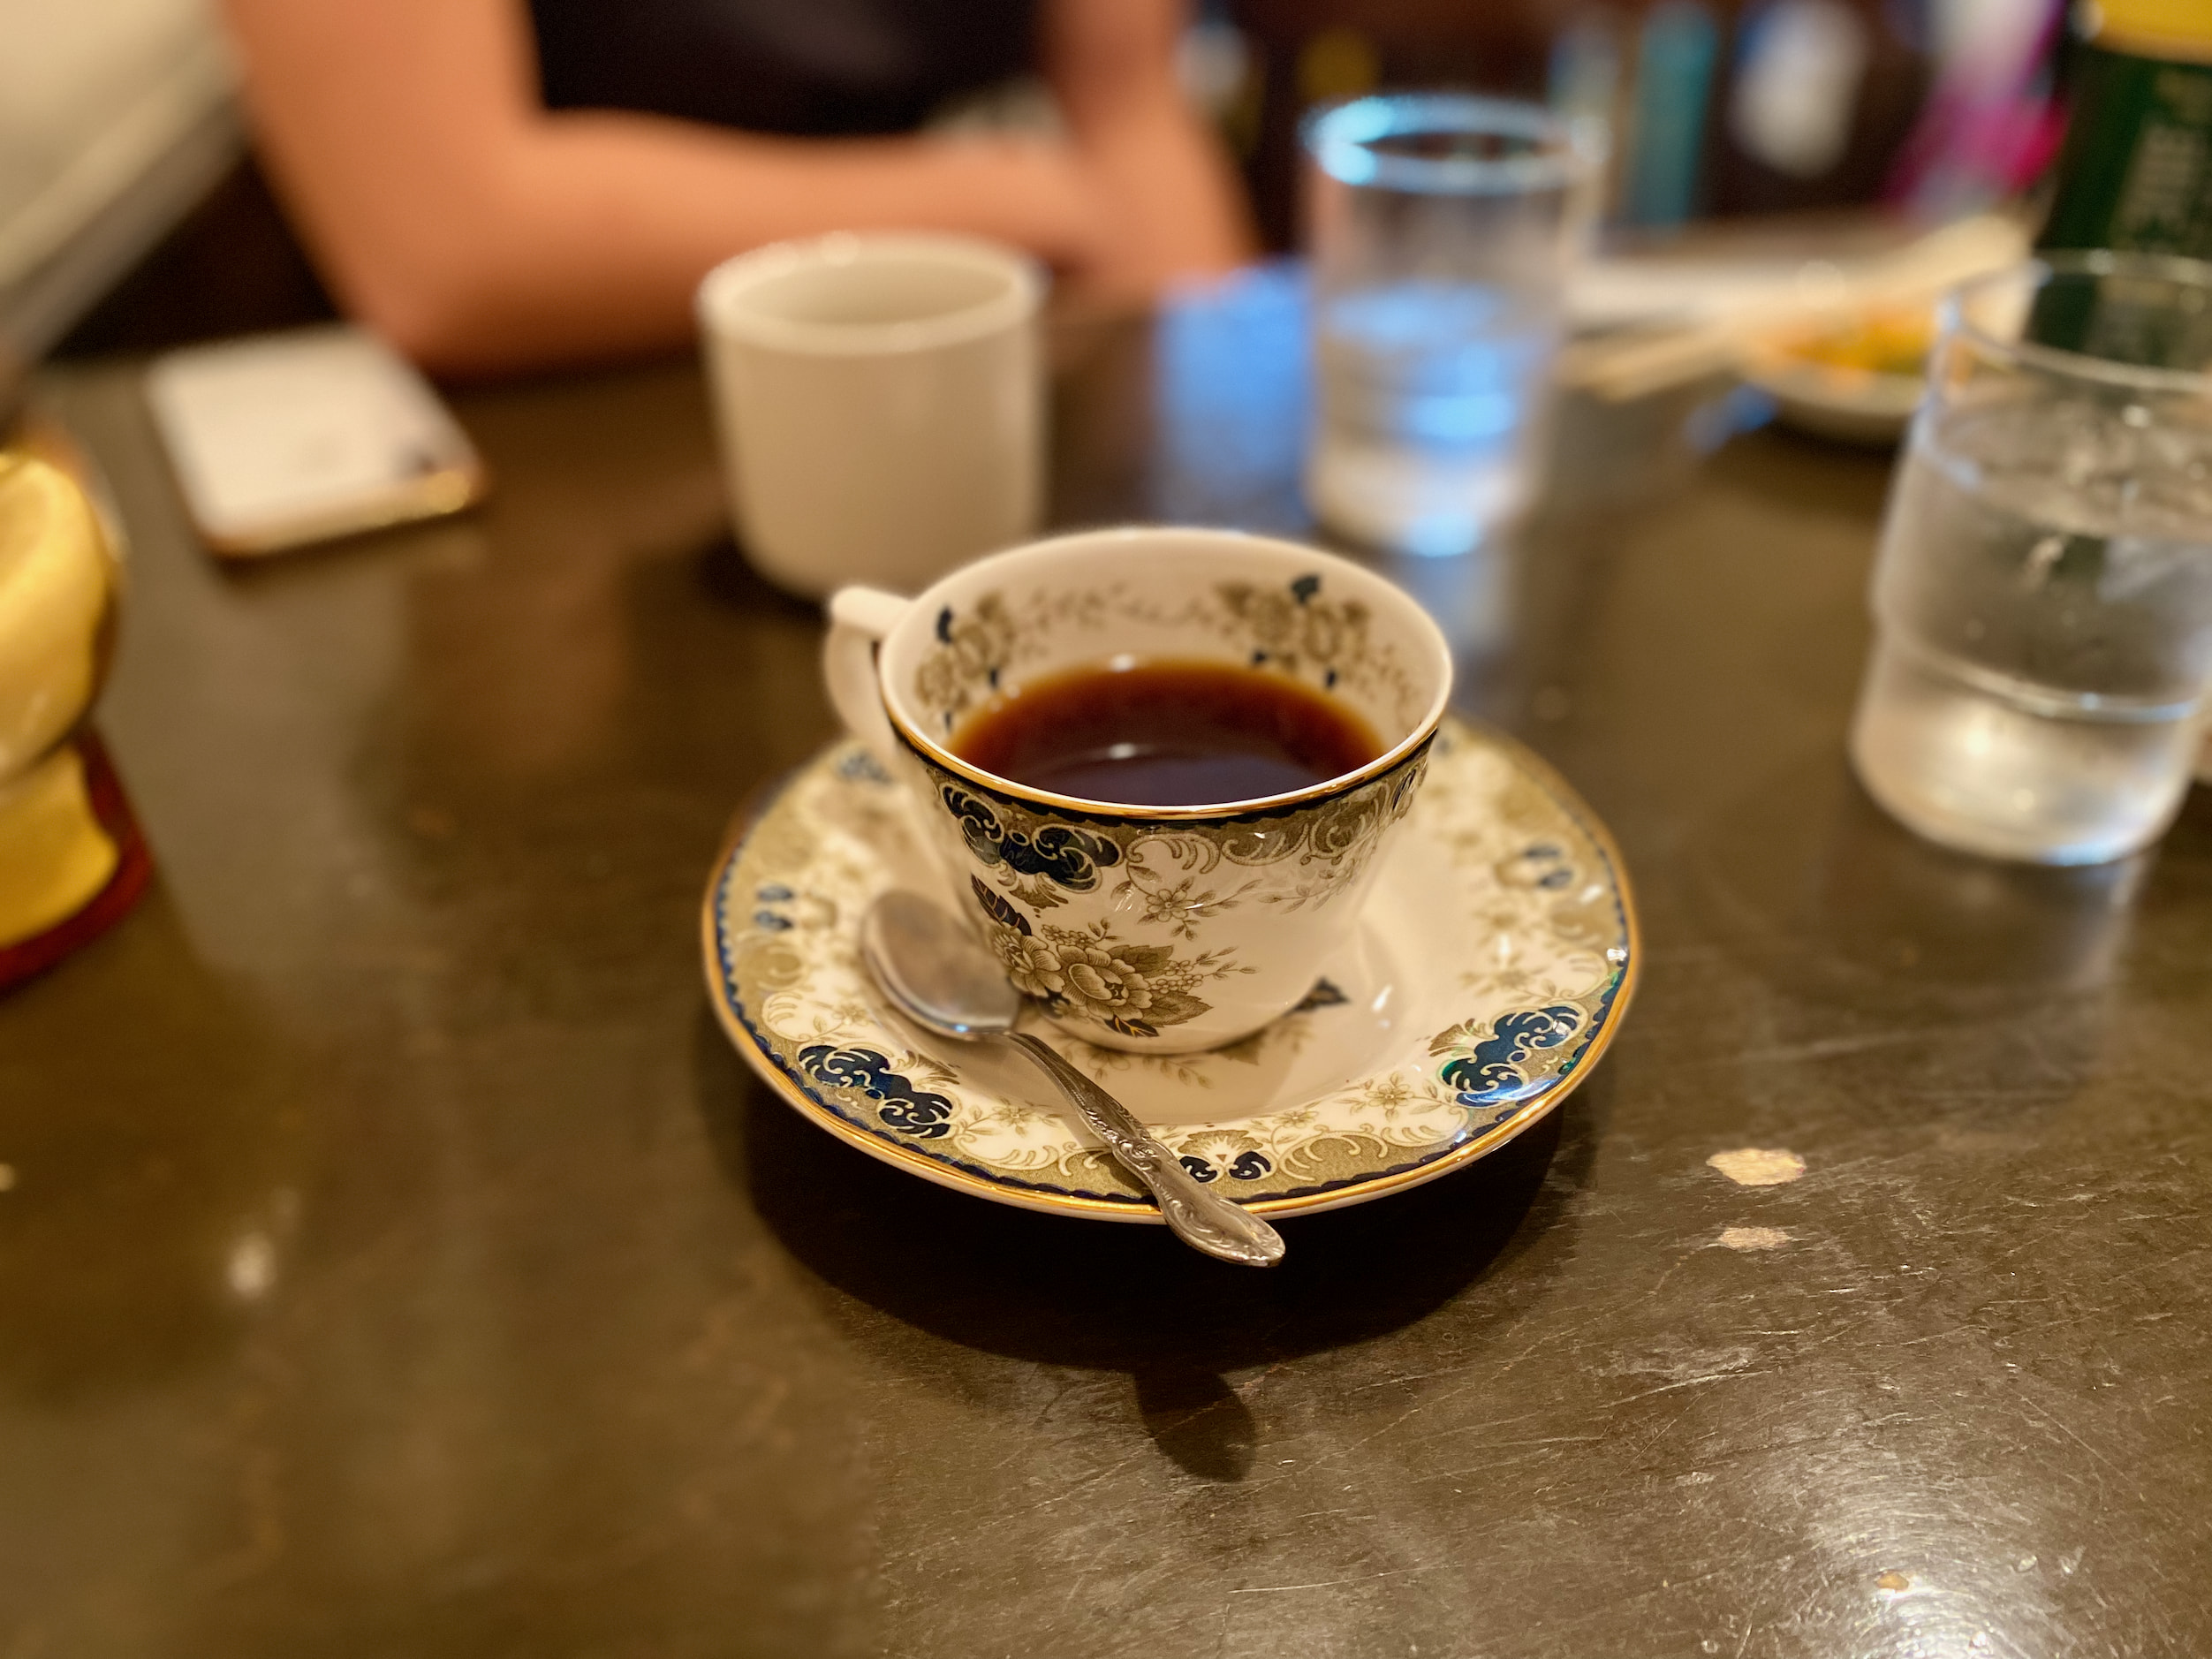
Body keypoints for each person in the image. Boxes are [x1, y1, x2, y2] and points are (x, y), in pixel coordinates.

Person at [220, 0, 1254, 376]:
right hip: (542, 480)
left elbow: (1130, 111)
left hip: (975, 396)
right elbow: (447, 248)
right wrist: (1015, 203)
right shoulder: (1030, 202)